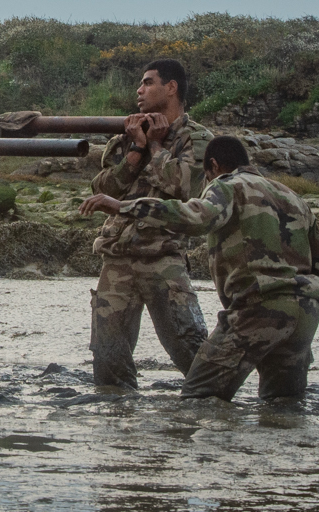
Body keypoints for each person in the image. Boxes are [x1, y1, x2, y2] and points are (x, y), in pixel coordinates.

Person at [86, 136, 319, 401]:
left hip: (256, 308)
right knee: (283, 405)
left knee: (199, 397)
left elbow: (197, 217)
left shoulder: (227, 185)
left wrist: (125, 206)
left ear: (214, 166)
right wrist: (301, 305)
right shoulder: (293, 197)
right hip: (306, 314)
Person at [83, 59, 212, 389]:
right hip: (118, 257)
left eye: (148, 83)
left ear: (171, 88)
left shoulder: (196, 138)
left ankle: (215, 423)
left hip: (163, 257)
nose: (139, 90)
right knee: (108, 358)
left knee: (192, 351)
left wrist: (156, 144)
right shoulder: (129, 135)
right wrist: (138, 148)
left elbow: (184, 187)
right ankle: (117, 430)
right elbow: (103, 189)